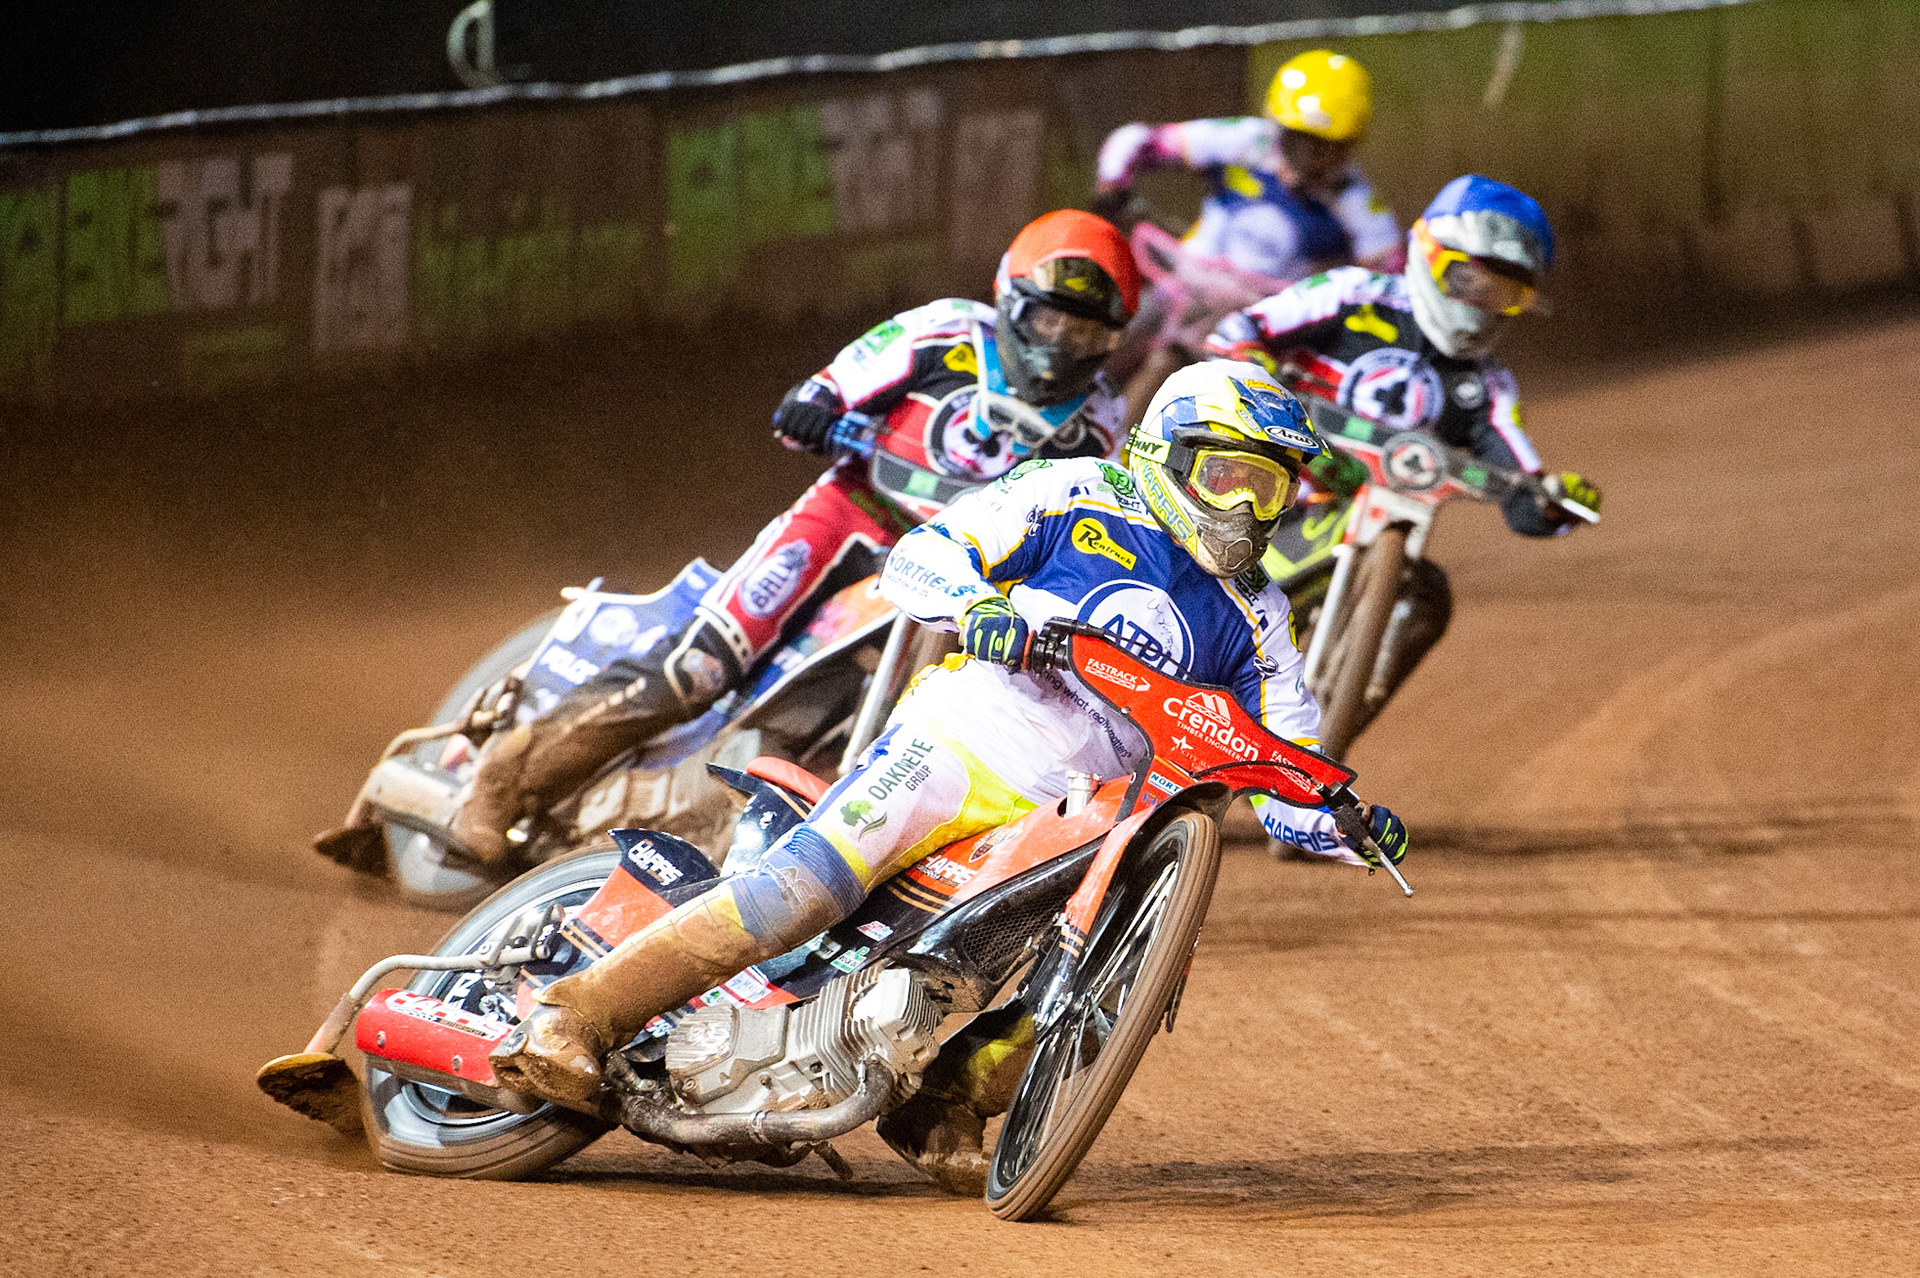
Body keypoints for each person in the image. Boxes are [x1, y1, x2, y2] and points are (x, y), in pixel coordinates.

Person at [487, 360, 1410, 1194]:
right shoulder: (1075, 492)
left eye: (1269, 487)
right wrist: (978, 604)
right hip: (961, 744)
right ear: (1166, 455)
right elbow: (924, 554)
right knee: (799, 896)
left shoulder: (1259, 616)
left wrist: (1345, 823)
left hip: (1077, 817)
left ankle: (940, 1100)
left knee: (1105, 967)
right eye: (1227, 476)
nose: (1245, 510)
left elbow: (1290, 762)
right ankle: (573, 1016)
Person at [447, 209, 1142, 866]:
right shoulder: (944, 333)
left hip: (961, 571)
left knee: (955, 705)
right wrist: (815, 408)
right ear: (1012, 300)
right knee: (704, 665)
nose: (1061, 346)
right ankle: (505, 780)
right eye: (1050, 320)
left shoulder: (1101, 417)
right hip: (851, 515)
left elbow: (1077, 521)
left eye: (1084, 334)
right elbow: (823, 392)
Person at [1207, 174, 1603, 836]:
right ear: (1426, 255)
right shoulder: (1353, 295)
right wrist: (1262, 379)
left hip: (1372, 521)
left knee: (1429, 597)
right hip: (1252, 494)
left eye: (1502, 290)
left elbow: (1522, 483)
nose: (1478, 304)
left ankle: (1317, 746)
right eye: (1468, 280)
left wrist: (1553, 502)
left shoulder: (1488, 390)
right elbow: (1238, 331)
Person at [1095, 48, 1405, 284]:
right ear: (1276, 126)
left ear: (1348, 147)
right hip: (1190, 279)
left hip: (1270, 324)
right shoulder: (1247, 139)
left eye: (1329, 148)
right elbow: (1135, 140)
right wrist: (1113, 183)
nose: (1310, 159)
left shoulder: (1357, 200)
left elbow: (1390, 278)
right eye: (1297, 141)